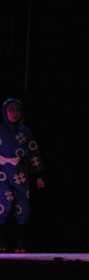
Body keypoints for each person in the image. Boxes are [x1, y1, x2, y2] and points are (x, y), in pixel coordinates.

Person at [0, 99, 46, 253]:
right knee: (2, 205)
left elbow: (34, 152)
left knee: (23, 207)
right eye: (11, 109)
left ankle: (20, 244)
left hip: (19, 171)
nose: (14, 113)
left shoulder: (25, 132)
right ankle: (1, 242)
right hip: (2, 171)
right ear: (4, 112)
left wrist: (39, 175)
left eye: (17, 109)